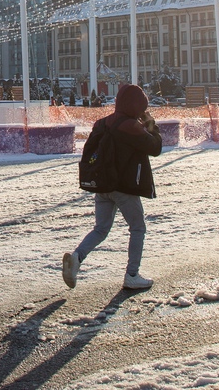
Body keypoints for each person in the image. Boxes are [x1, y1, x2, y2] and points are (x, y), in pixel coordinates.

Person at [62, 83, 163, 291]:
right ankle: (132, 275)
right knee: (137, 228)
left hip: (103, 184)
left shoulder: (103, 122)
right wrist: (150, 123)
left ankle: (77, 257)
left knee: (100, 229)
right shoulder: (131, 126)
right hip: (124, 187)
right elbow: (155, 147)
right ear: (135, 106)